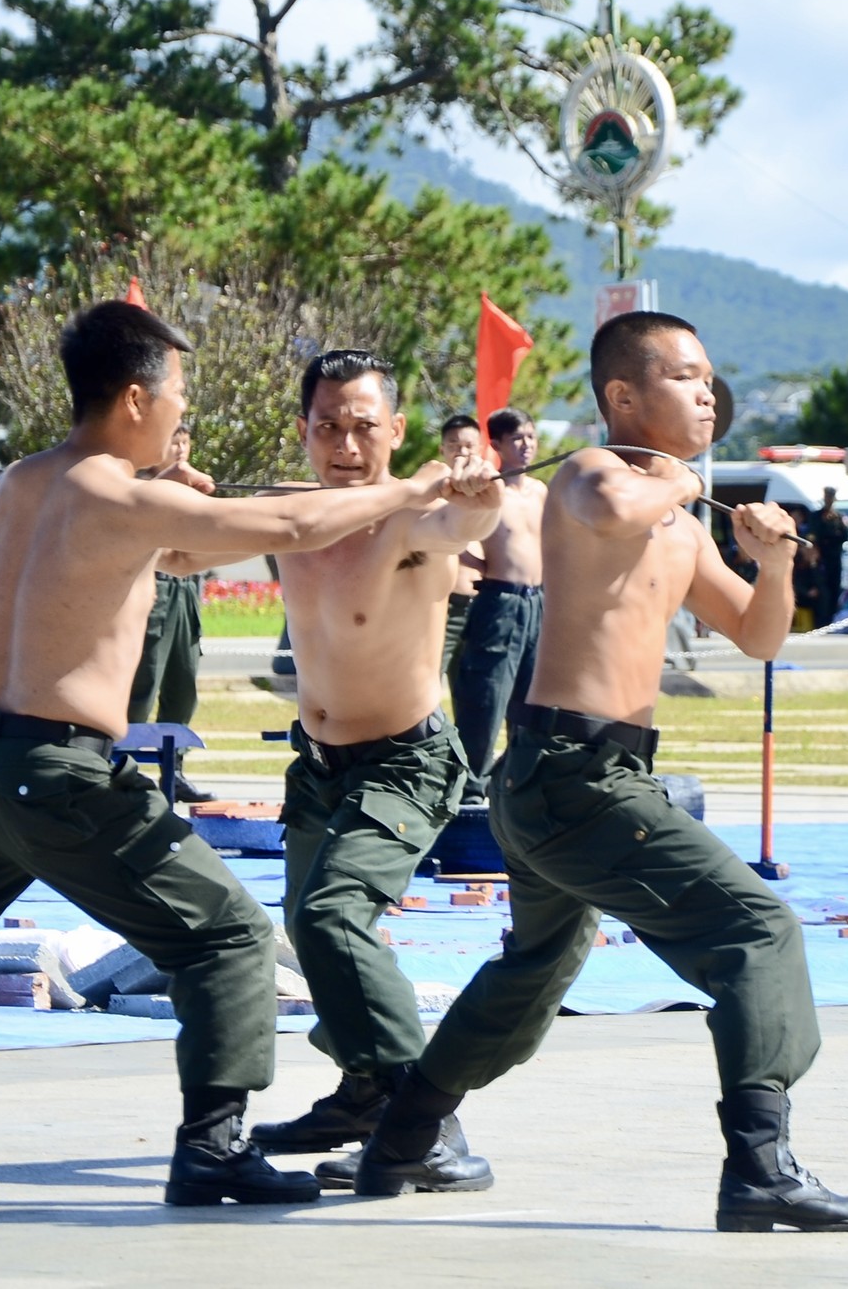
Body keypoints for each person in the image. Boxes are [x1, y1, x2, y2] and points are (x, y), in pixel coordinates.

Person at [0, 299, 457, 1207]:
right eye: (179, 394)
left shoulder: (27, 477)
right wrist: (412, 488)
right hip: (57, 776)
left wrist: (181, 497)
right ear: (139, 399)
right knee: (228, 936)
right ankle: (213, 1148)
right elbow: (299, 530)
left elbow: (165, 537)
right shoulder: (125, 496)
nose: (184, 411)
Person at [350, 311, 848, 1235]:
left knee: (535, 968)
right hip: (573, 773)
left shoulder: (680, 526)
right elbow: (613, 508)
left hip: (583, 781)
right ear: (623, 397)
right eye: (685, 377)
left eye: (711, 378)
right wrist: (680, 478)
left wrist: (774, 563)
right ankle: (760, 1166)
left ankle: (404, 1135)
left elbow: (759, 635)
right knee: (759, 930)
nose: (708, 393)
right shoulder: (591, 475)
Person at [242, 352, 501, 1165]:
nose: (346, 444)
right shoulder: (288, 513)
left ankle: (427, 1124)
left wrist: (477, 490)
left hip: (405, 763)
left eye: (364, 426)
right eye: (328, 427)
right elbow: (183, 554)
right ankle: (364, 1091)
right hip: (317, 764)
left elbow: (469, 526)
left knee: (332, 915)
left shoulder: (414, 519)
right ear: (303, 431)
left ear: (395, 430)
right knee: (307, 925)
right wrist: (168, 492)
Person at [450, 406, 546, 800]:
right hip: (499, 600)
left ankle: (520, 784)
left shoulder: (541, 491)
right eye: (517, 439)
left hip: (538, 602)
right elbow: (452, 538)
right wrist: (483, 565)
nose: (526, 445)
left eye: (531, 437)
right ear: (498, 444)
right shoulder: (490, 490)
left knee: (534, 698)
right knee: (487, 696)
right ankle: (473, 789)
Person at [126, 426, 211, 795]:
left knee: (183, 687)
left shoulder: (194, 487)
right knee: (142, 685)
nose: (179, 448)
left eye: (185, 441)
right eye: (173, 440)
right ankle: (121, 763)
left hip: (186, 591)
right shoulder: (141, 485)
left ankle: (172, 770)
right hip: (156, 587)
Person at [437, 415, 484, 685]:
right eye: (454, 445)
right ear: (442, 449)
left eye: (469, 445)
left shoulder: (492, 491)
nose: (462, 452)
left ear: (480, 448)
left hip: (481, 605)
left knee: (474, 692)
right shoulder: (431, 491)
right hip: (443, 604)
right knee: (429, 681)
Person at [811, 487, 848, 627]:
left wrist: (842, 524)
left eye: (831, 497)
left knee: (835, 590)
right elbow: (813, 536)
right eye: (827, 497)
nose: (829, 500)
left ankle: (833, 620)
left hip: (835, 559)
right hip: (821, 560)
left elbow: (845, 536)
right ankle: (821, 622)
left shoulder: (839, 517)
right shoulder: (816, 516)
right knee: (823, 592)